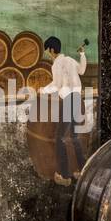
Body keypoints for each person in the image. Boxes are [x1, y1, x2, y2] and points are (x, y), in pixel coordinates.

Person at [41, 36, 87, 186]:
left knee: (60, 138)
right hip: (78, 99)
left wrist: (43, 90)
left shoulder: (56, 64)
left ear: (52, 50)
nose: (48, 54)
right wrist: (82, 55)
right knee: (74, 136)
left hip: (68, 101)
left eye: (47, 51)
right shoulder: (71, 60)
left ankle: (64, 175)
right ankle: (83, 171)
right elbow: (82, 70)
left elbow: (56, 84)